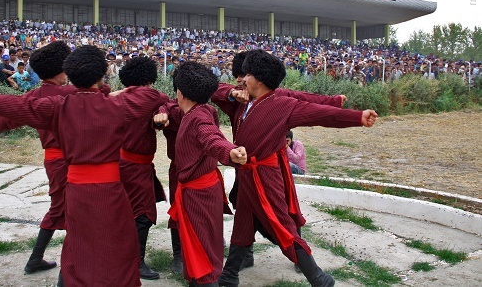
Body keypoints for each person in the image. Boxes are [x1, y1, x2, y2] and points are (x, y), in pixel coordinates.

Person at [0, 45, 166, 287]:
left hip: (76, 187)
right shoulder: (117, 106)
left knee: (76, 243)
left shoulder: (57, 106)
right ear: (102, 73)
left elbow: (16, 107)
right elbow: (152, 96)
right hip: (111, 188)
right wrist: (112, 91)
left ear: (69, 73)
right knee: (118, 246)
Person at [212, 49, 377, 287]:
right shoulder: (242, 103)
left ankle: (320, 279)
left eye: (246, 75)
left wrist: (357, 117)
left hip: (265, 178)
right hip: (247, 175)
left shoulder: (283, 104)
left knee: (282, 225)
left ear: (258, 79)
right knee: (243, 224)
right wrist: (231, 92)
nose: (241, 79)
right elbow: (214, 90)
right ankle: (229, 277)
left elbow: (320, 114)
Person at [0, 41, 79, 277]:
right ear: (61, 69)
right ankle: (64, 267)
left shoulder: (34, 95)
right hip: (68, 161)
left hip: (53, 160)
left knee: (60, 207)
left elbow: (12, 117)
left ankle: (36, 259)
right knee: (67, 210)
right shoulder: (69, 94)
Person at [155, 61, 247, 286]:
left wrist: (229, 152)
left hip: (199, 195)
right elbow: (168, 107)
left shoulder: (197, 117)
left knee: (203, 252)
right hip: (202, 190)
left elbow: (211, 137)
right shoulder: (204, 109)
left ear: (180, 91)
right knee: (199, 249)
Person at [117, 56, 169, 280]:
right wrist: (164, 110)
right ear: (150, 77)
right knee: (144, 215)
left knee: (124, 211)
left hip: (118, 161)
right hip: (136, 166)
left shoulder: (120, 97)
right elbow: (167, 101)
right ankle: (135, 263)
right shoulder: (153, 96)